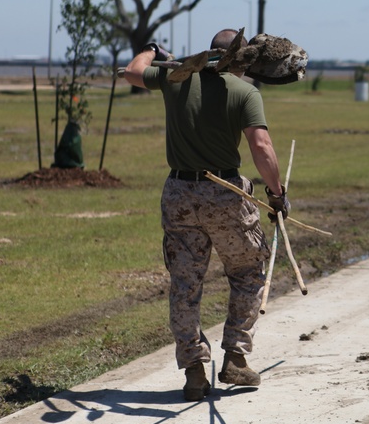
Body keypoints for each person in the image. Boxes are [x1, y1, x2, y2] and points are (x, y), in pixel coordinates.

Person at [124, 29, 290, 402]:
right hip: (225, 194)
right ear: (240, 58)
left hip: (179, 194)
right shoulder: (244, 92)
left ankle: (195, 372)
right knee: (248, 273)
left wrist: (151, 49)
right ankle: (235, 356)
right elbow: (260, 146)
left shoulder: (176, 77)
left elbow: (132, 73)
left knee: (185, 285)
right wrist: (277, 194)